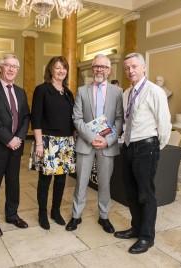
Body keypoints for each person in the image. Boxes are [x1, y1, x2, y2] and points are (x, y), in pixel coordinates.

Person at [114, 52, 171, 254]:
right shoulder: (126, 94)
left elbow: (164, 124)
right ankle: (136, 228)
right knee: (131, 192)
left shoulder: (155, 91)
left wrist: (154, 147)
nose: (130, 71)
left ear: (144, 67)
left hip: (146, 147)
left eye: (134, 67)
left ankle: (147, 237)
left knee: (146, 195)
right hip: (128, 147)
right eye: (127, 68)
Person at [66, 54, 123, 234]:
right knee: (81, 182)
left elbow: (120, 120)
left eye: (103, 67)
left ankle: (104, 217)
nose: (99, 70)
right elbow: (77, 117)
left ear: (109, 70)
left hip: (107, 145)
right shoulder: (82, 90)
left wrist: (107, 140)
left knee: (105, 183)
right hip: (86, 143)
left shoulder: (118, 92)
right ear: (93, 69)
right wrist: (92, 138)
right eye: (96, 66)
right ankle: (76, 216)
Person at [0, 54, 31, 237]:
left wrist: (19, 138)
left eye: (14, 67)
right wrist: (9, 139)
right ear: (0, 68)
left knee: (13, 184)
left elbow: (26, 116)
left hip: (16, 146)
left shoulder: (20, 91)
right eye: (7, 66)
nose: (11, 69)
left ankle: (12, 215)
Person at [30, 56, 76, 230]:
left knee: (61, 179)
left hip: (66, 141)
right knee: (45, 179)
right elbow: (36, 118)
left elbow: (72, 119)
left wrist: (74, 139)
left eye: (64, 68)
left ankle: (55, 210)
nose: (61, 71)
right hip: (48, 141)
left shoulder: (68, 92)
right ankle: (42, 212)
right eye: (57, 68)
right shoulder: (42, 90)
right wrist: (39, 143)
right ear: (51, 70)